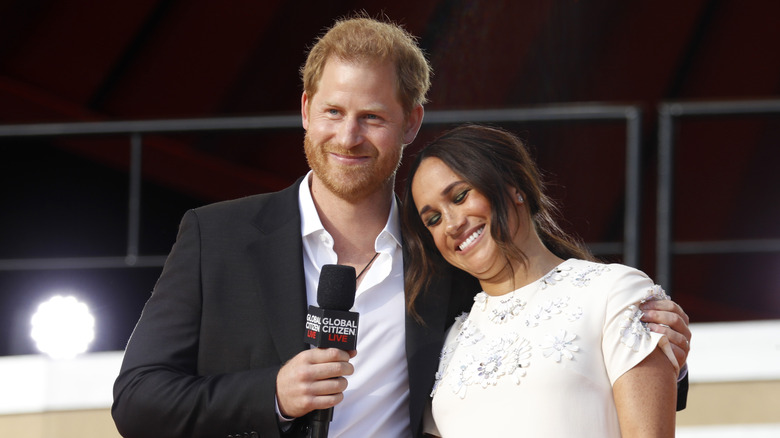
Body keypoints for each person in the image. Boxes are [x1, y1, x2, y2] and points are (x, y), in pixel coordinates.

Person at [112, 15, 691, 438]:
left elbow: (544, 327)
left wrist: (657, 353)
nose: (348, 136)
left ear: (412, 122)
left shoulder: (446, 251)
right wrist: (272, 395)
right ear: (307, 109)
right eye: (334, 112)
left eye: (373, 117)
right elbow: (137, 401)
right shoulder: (217, 237)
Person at [401, 124, 682, 437]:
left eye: (460, 196)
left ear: (514, 185)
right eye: (433, 219)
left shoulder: (614, 293)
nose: (451, 225)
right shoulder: (448, 341)